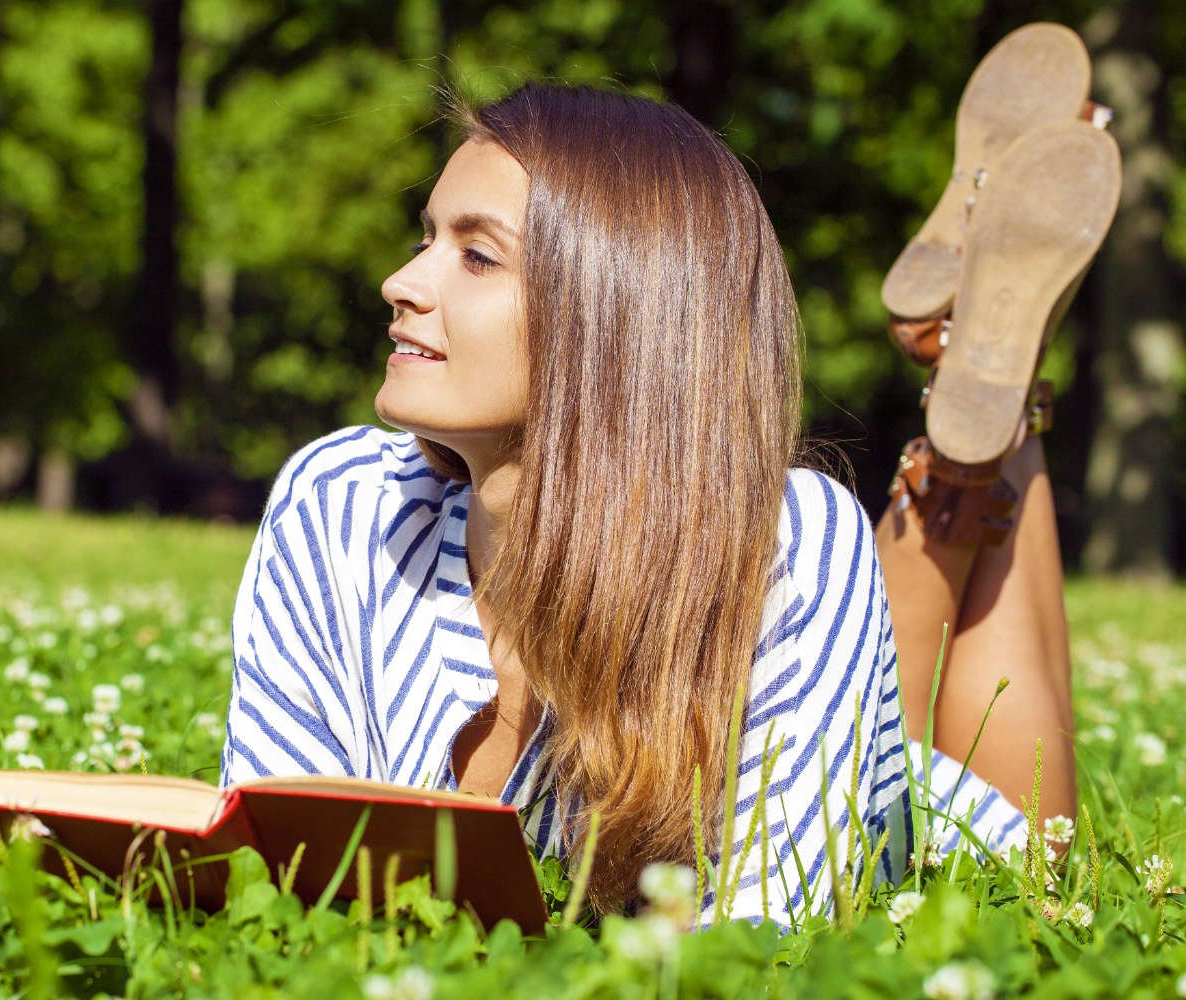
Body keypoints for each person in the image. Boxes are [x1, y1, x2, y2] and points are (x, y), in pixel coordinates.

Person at [217, 75, 1110, 926]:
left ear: (616, 310)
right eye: (426, 240)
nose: (402, 283)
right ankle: (974, 410)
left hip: (886, 827)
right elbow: (269, 870)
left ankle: (997, 428)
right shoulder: (339, 502)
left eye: (477, 255)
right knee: (874, 690)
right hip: (801, 724)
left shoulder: (794, 542)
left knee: (1035, 856)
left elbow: (772, 935)